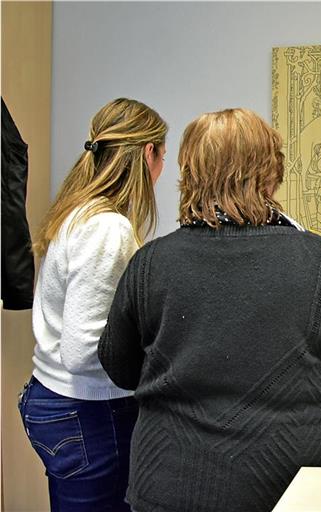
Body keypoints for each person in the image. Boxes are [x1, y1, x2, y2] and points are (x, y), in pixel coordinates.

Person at [97, 108, 321, 512]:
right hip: (294, 488)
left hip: (171, 484)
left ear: (189, 173)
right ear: (272, 172)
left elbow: (118, 365)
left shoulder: (151, 263)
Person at [18, 98, 167, 510]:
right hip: (87, 413)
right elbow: (83, 351)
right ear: (149, 154)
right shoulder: (107, 229)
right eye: (162, 157)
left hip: (55, 400)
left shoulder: (77, 212)